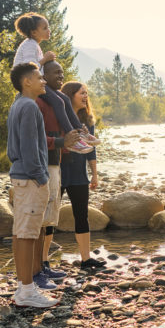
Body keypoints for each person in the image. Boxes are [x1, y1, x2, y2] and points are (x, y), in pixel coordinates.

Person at [6, 62, 58, 308]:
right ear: (27, 81)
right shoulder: (29, 106)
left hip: (21, 176)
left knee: (21, 233)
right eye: (39, 77)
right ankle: (26, 292)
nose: (43, 81)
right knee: (28, 234)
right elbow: (29, 147)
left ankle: (23, 287)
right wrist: (41, 177)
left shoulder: (17, 104)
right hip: (30, 178)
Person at [13, 12, 95, 154]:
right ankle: (74, 140)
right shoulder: (30, 45)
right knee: (58, 102)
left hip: (36, 82)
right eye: (44, 28)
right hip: (29, 84)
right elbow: (28, 69)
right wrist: (45, 59)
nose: (48, 30)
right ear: (34, 32)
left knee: (64, 99)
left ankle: (81, 132)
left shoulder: (35, 45)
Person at [33, 61, 81, 287]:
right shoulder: (39, 103)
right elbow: (39, 137)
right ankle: (36, 270)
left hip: (55, 162)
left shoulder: (57, 101)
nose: (61, 75)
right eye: (56, 72)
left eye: (62, 72)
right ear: (43, 75)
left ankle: (43, 265)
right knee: (42, 218)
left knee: (50, 216)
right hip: (44, 165)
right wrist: (63, 141)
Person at [61, 80, 107, 270]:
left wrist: (94, 174)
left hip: (79, 173)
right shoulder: (59, 116)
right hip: (60, 170)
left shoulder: (87, 119)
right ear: (70, 95)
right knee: (50, 216)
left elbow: (91, 150)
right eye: (82, 92)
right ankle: (44, 261)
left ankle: (86, 259)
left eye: (86, 92)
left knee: (82, 215)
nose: (86, 96)